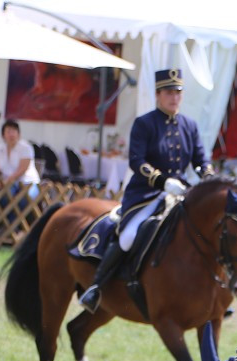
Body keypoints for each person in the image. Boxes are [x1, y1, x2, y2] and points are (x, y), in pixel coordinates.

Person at [79, 68, 213, 312]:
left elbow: (201, 160)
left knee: (205, 232)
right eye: (169, 93)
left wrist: (209, 179)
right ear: (158, 95)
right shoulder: (144, 123)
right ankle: (96, 287)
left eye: (178, 93)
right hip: (146, 194)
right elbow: (137, 161)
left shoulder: (189, 126)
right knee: (129, 235)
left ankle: (211, 293)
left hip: (180, 194)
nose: (174, 98)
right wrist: (162, 182)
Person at [0, 119, 41, 215]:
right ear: (3, 135)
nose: (12, 134)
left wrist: (5, 182)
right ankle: (5, 226)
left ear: (19, 134)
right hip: (10, 184)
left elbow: (22, 170)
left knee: (22, 200)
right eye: (9, 131)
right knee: (3, 197)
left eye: (14, 131)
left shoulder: (26, 148)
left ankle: (12, 227)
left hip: (28, 183)